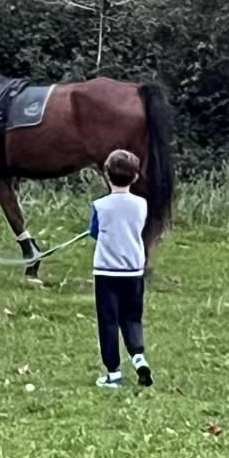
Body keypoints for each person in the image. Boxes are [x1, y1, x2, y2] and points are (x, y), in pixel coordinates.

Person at [88, 149, 153, 388]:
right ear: (135, 177)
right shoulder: (142, 205)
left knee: (108, 320)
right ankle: (138, 357)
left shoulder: (99, 205)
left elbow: (94, 231)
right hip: (134, 271)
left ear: (106, 175)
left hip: (106, 271)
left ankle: (113, 373)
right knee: (132, 317)